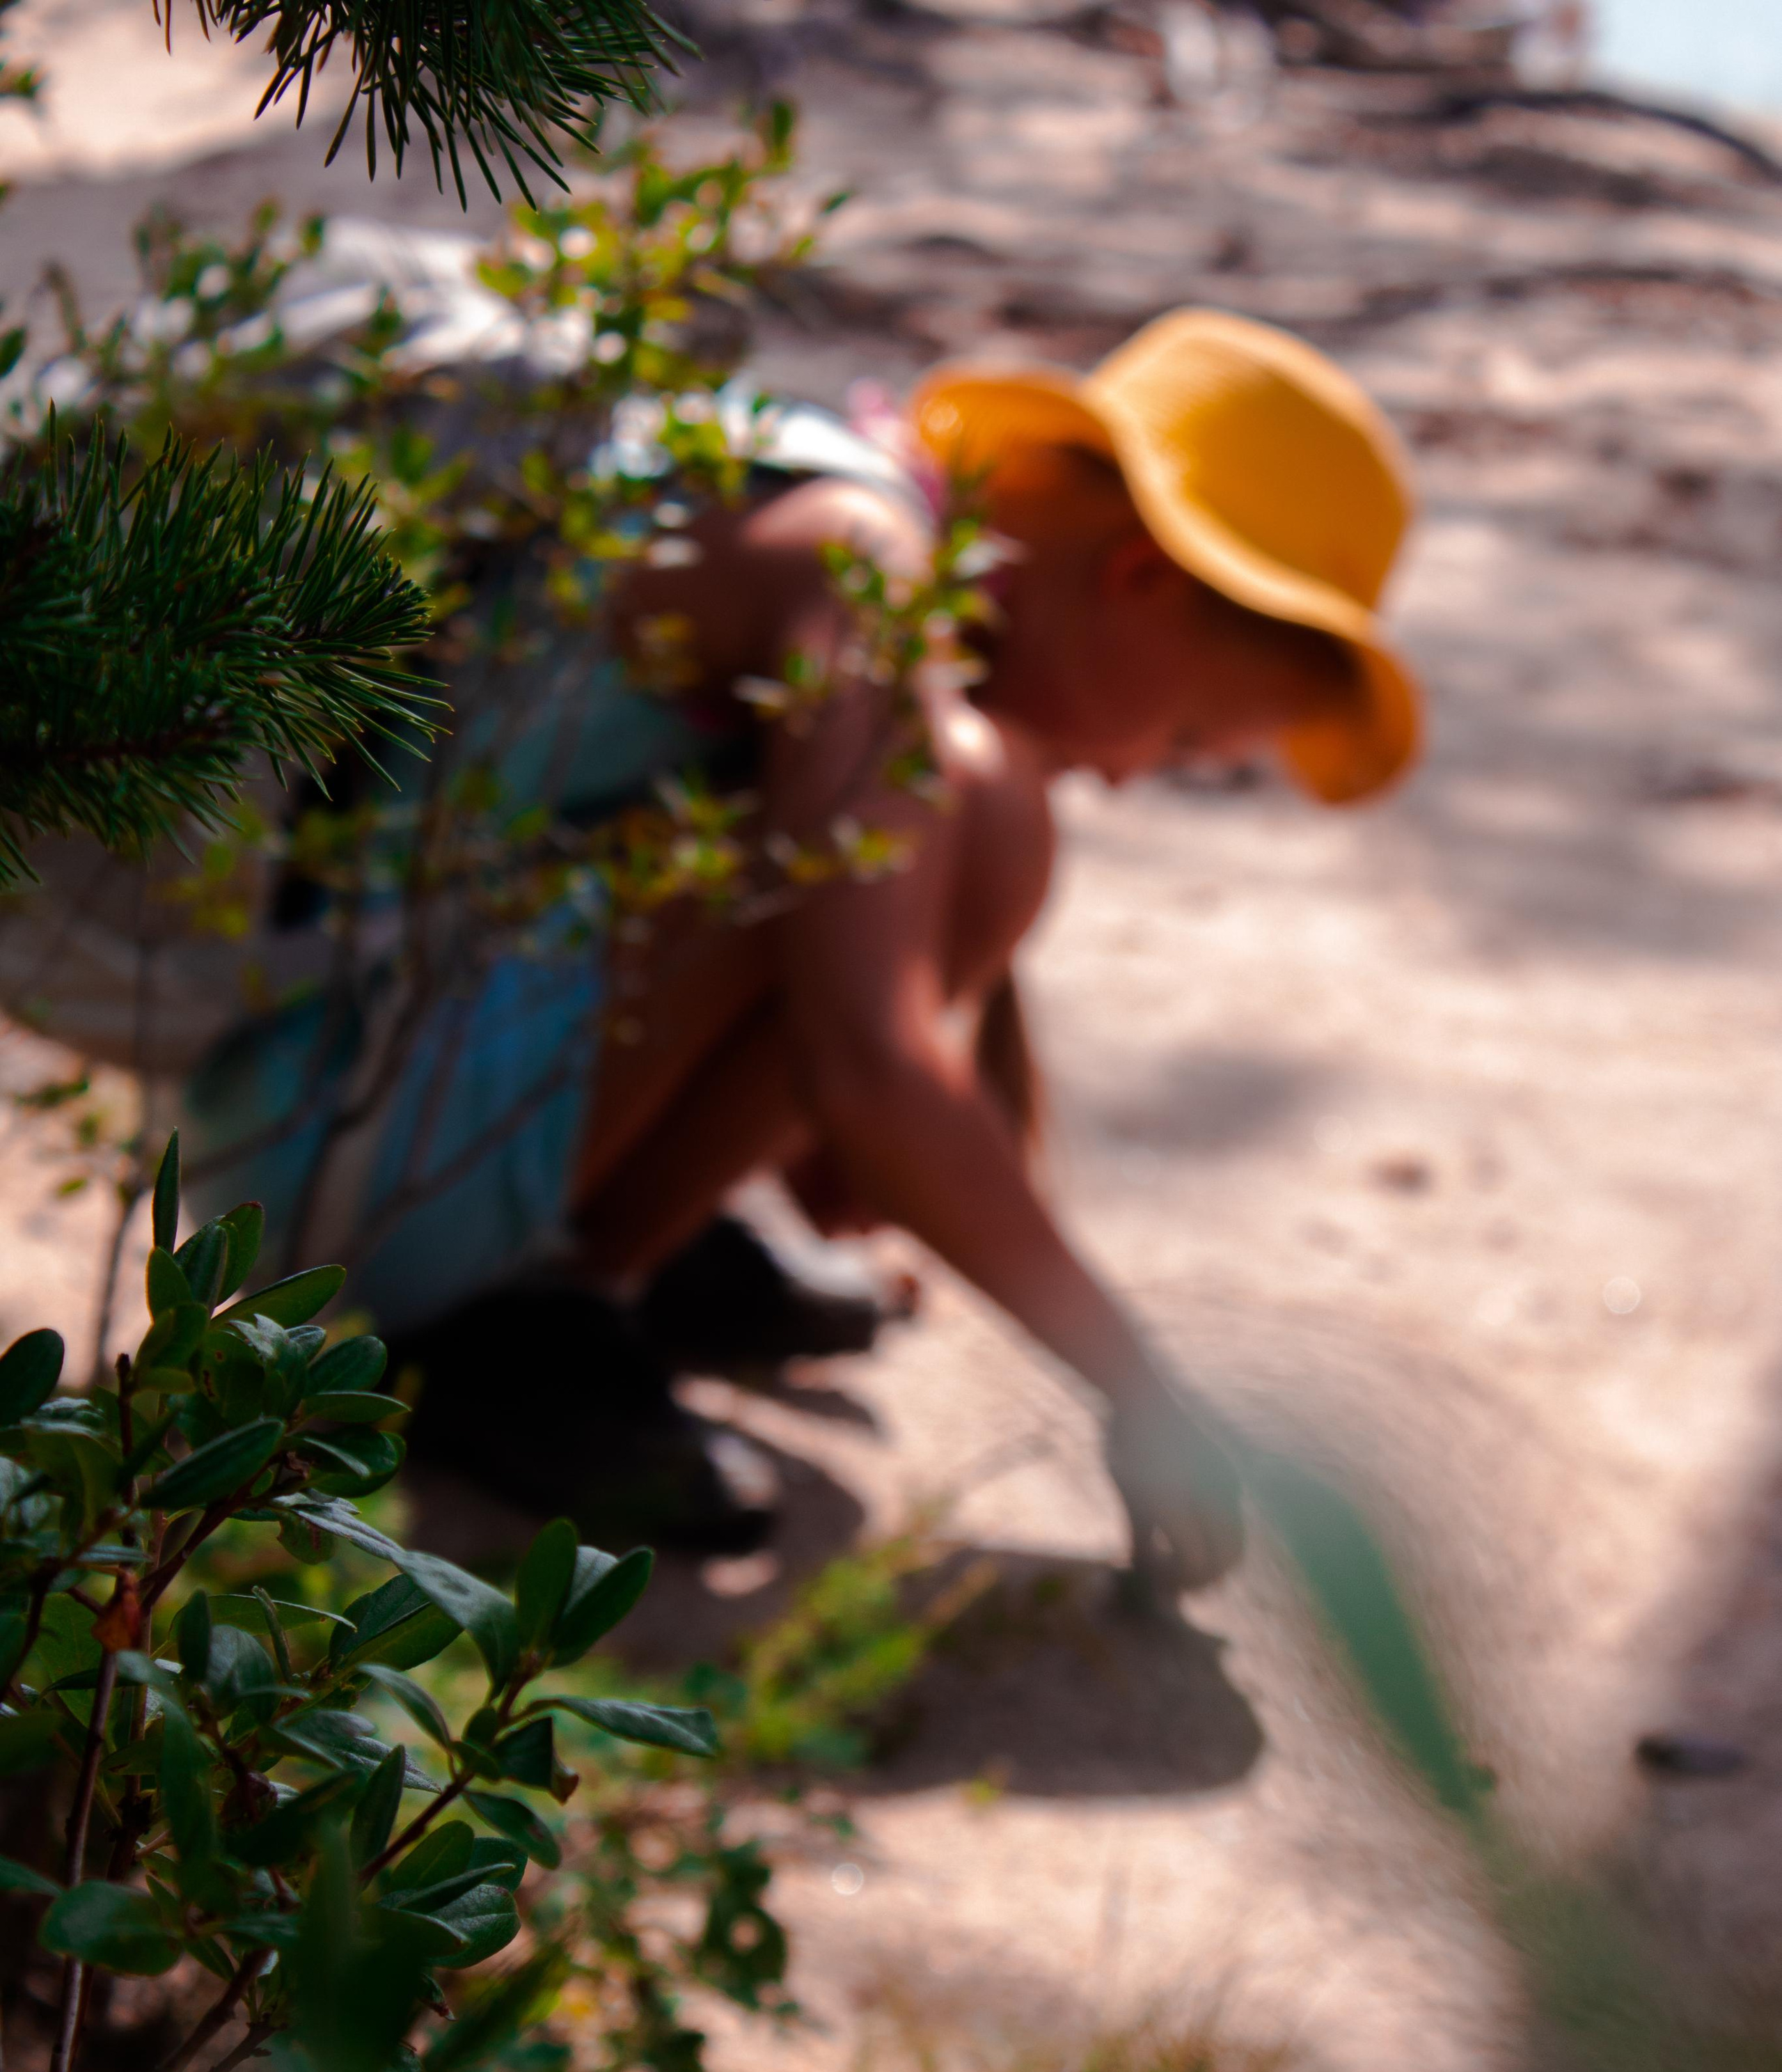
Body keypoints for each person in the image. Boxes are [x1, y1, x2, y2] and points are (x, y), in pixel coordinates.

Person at [6, 308, 1421, 1575]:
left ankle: (578, 1267)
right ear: (1134, 580)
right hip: (332, 1159)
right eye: (1183, 744)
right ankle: (511, 1326)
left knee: (978, 816)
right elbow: (863, 1079)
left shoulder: (832, 499)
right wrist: (1143, 1390)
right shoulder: (858, 574)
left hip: (340, 1077)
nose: (1133, 776)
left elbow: (847, 1159)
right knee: (983, 810)